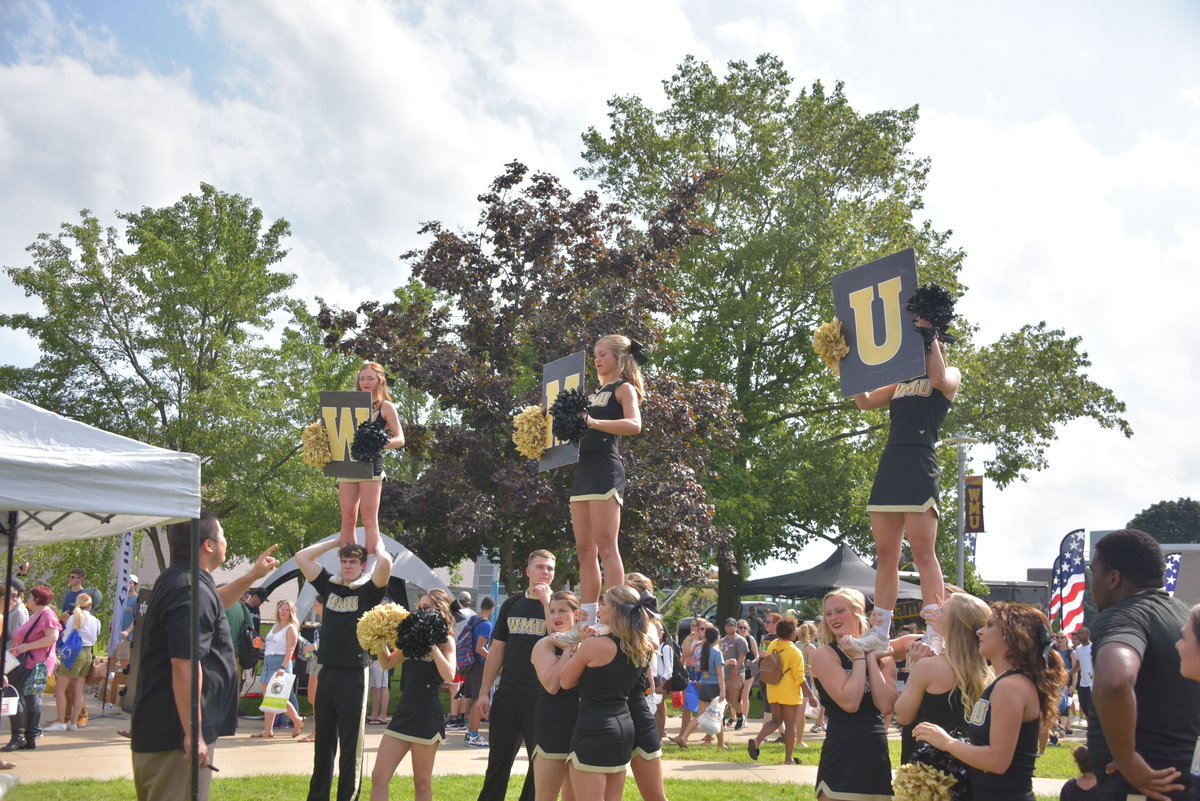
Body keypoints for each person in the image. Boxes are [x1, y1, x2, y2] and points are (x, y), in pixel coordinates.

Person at [130, 513, 281, 801]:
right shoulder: (189, 589)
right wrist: (193, 731)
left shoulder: (186, 582)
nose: (227, 541)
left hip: (170, 733)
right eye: (223, 535)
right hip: (175, 740)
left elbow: (214, 603)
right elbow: (184, 664)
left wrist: (252, 575)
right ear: (209, 545)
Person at [852, 318, 960, 654]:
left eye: (927, 341)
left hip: (919, 464)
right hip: (891, 463)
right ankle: (880, 629)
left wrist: (931, 336)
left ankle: (935, 629)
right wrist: (847, 361)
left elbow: (941, 377)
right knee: (886, 555)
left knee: (923, 552)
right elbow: (865, 401)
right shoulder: (901, 381)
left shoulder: (950, 375)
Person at [1086, 529, 1200, 801]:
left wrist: (1125, 757)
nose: (1092, 585)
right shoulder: (1185, 616)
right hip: (1181, 778)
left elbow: (1116, 679)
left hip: (1139, 786)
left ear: (1113, 578)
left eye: (1094, 573)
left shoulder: (1124, 616)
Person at [915, 602, 1067, 801]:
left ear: (1013, 636)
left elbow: (997, 761)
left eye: (990, 625)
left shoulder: (1010, 687)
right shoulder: (1005, 683)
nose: (979, 632)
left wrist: (947, 743)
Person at [297, 538, 393, 801]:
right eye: (344, 561)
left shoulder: (369, 591)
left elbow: (385, 565)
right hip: (327, 672)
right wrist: (336, 542)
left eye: (353, 562)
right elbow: (302, 558)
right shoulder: (329, 585)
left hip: (354, 674)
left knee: (351, 747)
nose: (348, 566)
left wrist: (378, 548)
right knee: (323, 745)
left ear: (363, 566)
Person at [569, 335, 644, 630]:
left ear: (619, 358)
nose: (597, 359)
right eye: (595, 355)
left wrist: (593, 422)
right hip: (583, 468)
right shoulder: (590, 394)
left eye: (603, 355)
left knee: (606, 546)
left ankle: (613, 617)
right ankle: (586, 619)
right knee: (584, 550)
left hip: (605, 468)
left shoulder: (624, 388)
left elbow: (634, 425)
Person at [560, 585, 656, 801]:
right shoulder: (641, 645)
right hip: (624, 728)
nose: (599, 608)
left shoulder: (594, 646)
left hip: (593, 729)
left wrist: (576, 646)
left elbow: (565, 681)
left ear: (615, 611)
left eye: (603, 603)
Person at [474, 549, 555, 801]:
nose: (546, 572)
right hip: (508, 694)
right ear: (528, 571)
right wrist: (483, 692)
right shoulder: (511, 603)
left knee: (539, 766)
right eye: (540, 567)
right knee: (497, 763)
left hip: (541, 697)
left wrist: (547, 603)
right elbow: (497, 649)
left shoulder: (560, 605)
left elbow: (561, 641)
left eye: (550, 568)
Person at [810, 588, 897, 801]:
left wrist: (870, 660)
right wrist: (858, 658)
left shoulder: (880, 652)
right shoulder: (824, 654)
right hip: (842, 750)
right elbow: (849, 703)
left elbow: (886, 705)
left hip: (875, 751)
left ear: (858, 612)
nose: (833, 618)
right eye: (828, 613)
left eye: (840, 611)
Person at [369, 589, 456, 801]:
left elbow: (449, 675)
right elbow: (388, 663)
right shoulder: (411, 638)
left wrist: (432, 646)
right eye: (419, 608)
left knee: (422, 782)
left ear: (439, 610)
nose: (420, 612)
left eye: (426, 608)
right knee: (379, 776)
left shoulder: (446, 641)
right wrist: (380, 640)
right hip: (405, 711)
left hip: (427, 714)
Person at [895, 592, 992, 764]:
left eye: (942, 610)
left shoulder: (928, 666)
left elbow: (903, 715)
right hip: (967, 762)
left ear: (952, 625)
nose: (935, 612)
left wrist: (916, 665)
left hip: (928, 771)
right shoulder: (988, 670)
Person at [337, 362, 405, 555]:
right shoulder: (348, 404)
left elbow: (400, 439)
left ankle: (371, 565)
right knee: (347, 519)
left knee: (368, 518)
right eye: (362, 378)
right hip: (347, 465)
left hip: (371, 466)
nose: (365, 382)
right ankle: (348, 564)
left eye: (370, 378)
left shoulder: (386, 406)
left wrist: (377, 443)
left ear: (379, 381)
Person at [531, 591, 585, 801]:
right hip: (552, 724)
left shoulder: (588, 643)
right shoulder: (544, 645)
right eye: (552, 611)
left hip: (583, 725)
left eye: (562, 610)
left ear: (576, 615)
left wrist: (575, 645)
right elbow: (553, 685)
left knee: (573, 796)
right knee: (546, 796)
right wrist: (567, 651)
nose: (555, 615)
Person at [621, 572, 668, 801]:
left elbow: (650, 644)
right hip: (609, 714)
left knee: (655, 796)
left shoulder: (648, 628)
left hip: (632, 711)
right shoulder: (609, 627)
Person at [2, 586, 62, 752]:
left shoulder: (47, 615)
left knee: (14, 695)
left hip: (33, 663)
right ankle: (28, 736)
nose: (27, 599)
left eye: (30, 597)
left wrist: (26, 647)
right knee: (29, 698)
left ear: (37, 600)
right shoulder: (38, 614)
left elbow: (52, 637)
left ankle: (19, 736)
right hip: (30, 661)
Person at [747, 618, 806, 764]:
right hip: (789, 692)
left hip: (773, 688)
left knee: (775, 720)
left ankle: (757, 741)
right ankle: (788, 759)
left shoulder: (773, 645)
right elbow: (799, 677)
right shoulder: (795, 651)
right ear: (792, 634)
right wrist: (810, 695)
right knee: (790, 725)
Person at [45, 592, 101, 732]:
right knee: (78, 690)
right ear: (90, 606)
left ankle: (60, 721)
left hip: (74, 654)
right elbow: (95, 638)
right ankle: (74, 722)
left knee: (60, 688)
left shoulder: (73, 618)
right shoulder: (96, 621)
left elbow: (65, 639)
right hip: (88, 653)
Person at [254, 599, 306, 738]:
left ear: (291, 612)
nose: (283, 612)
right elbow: (271, 645)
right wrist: (261, 645)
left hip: (280, 663)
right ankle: (268, 730)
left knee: (277, 698)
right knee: (268, 698)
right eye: (281, 609)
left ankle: (297, 720)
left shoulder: (291, 628)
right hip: (268, 662)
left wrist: (282, 667)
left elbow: (290, 650)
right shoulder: (275, 626)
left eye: (286, 609)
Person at [672, 626, 726, 750]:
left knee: (700, 716)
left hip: (704, 685)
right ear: (717, 638)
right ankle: (720, 744)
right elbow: (720, 673)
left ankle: (684, 737)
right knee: (718, 716)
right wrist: (723, 690)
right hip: (715, 686)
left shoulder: (703, 651)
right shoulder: (717, 653)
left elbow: (699, 669)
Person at [459, 596, 494, 737]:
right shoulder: (486, 625)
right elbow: (480, 648)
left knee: (474, 699)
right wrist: (493, 659)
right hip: (479, 665)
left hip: (470, 664)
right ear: (492, 609)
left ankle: (471, 732)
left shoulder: (473, 619)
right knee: (480, 700)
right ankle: (473, 735)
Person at [718, 617, 748, 730]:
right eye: (727, 625)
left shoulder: (740, 640)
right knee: (724, 698)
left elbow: (742, 657)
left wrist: (735, 671)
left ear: (735, 627)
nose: (729, 627)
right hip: (724, 673)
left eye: (731, 625)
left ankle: (740, 717)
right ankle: (722, 720)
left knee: (734, 699)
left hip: (737, 674)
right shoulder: (721, 640)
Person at [797, 621, 824, 735]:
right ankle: (799, 736)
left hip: (795, 678)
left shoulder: (796, 644)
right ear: (812, 635)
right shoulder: (810, 647)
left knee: (796, 708)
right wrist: (814, 687)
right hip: (806, 679)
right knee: (801, 711)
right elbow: (812, 668)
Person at [737, 618, 758, 731]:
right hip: (736, 671)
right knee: (735, 696)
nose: (742, 629)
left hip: (748, 670)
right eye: (740, 627)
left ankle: (744, 718)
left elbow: (757, 655)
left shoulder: (751, 639)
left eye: (745, 628)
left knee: (744, 695)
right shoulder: (734, 640)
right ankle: (736, 718)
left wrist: (752, 662)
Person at [1071, 627, 1094, 722]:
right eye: (1078, 634)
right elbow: (1077, 666)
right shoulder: (1078, 649)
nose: (1079, 636)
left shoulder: (1094, 647)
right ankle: (1091, 725)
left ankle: (1095, 728)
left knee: (1092, 707)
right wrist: (1066, 674)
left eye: (1082, 633)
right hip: (1083, 683)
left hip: (1093, 683)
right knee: (1084, 706)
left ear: (1088, 634)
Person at [120, 575, 139, 642]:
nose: (127, 584)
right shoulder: (122, 598)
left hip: (128, 638)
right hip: (118, 636)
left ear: (135, 586)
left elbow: (137, 618)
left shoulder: (138, 599)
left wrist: (127, 632)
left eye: (130, 583)